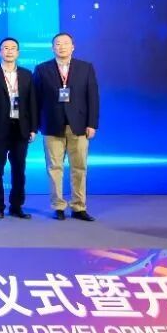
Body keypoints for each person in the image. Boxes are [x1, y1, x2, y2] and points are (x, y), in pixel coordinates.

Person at [34, 33, 99, 221]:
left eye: (65, 43)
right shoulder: (42, 69)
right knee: (54, 167)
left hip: (79, 125)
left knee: (79, 167)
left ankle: (79, 207)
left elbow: (93, 98)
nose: (61, 47)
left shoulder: (85, 68)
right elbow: (35, 99)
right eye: (57, 44)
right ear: (52, 48)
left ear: (73, 47)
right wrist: (36, 125)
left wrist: (92, 124)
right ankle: (58, 206)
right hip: (51, 125)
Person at [0, 37, 38, 219]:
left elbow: (33, 103)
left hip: (21, 127)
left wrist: (33, 128)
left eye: (13, 48)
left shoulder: (27, 74)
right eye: (5, 48)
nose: (9, 51)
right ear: (0, 52)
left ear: (18, 52)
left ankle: (17, 206)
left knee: (19, 169)